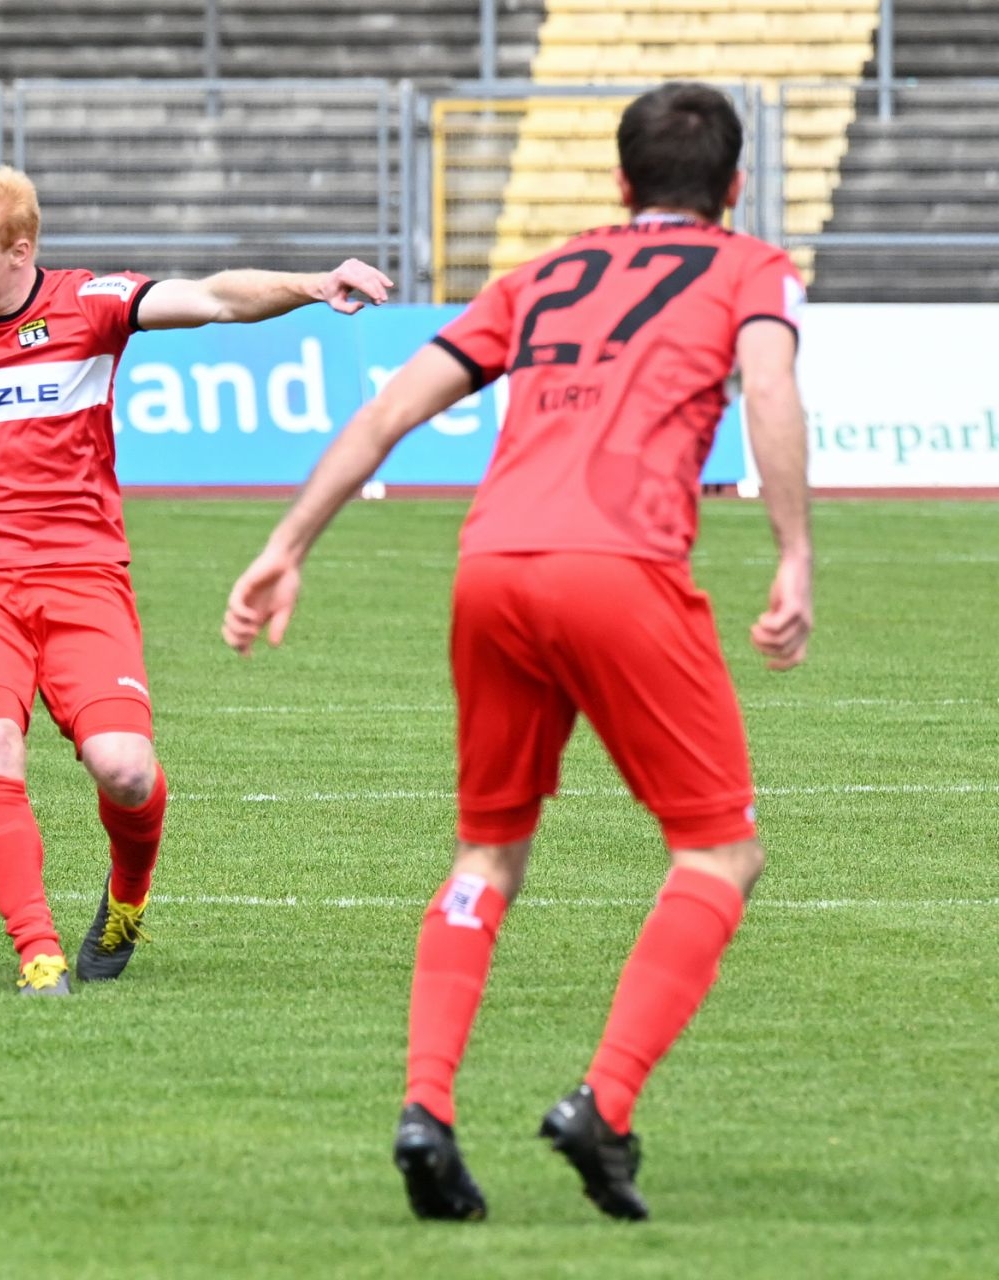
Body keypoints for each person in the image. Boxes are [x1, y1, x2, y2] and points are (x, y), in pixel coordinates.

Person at [221, 83, 812, 1220]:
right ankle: (606, 1102)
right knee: (717, 854)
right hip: (621, 568)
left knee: (487, 854)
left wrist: (287, 543)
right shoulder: (750, 267)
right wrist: (792, 552)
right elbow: (773, 387)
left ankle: (425, 1108)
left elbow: (393, 407)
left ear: (620, 183)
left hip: (491, 567)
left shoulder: (542, 275)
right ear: (733, 188)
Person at [0, 166, 393, 996]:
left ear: (19, 251)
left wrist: (313, 285)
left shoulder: (89, 304)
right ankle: (38, 955)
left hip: (82, 581)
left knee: (127, 772)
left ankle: (125, 902)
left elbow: (215, 297)